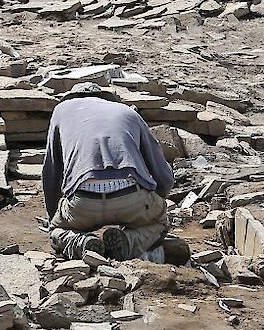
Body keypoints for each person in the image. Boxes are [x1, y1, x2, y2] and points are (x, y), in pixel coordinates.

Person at [42, 85, 177, 262]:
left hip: (83, 200)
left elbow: (52, 173)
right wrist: (155, 203)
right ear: (107, 99)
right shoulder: (128, 113)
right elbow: (161, 172)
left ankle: (82, 243)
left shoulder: (61, 111)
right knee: (160, 223)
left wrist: (56, 218)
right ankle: (129, 241)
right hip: (131, 196)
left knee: (57, 231)